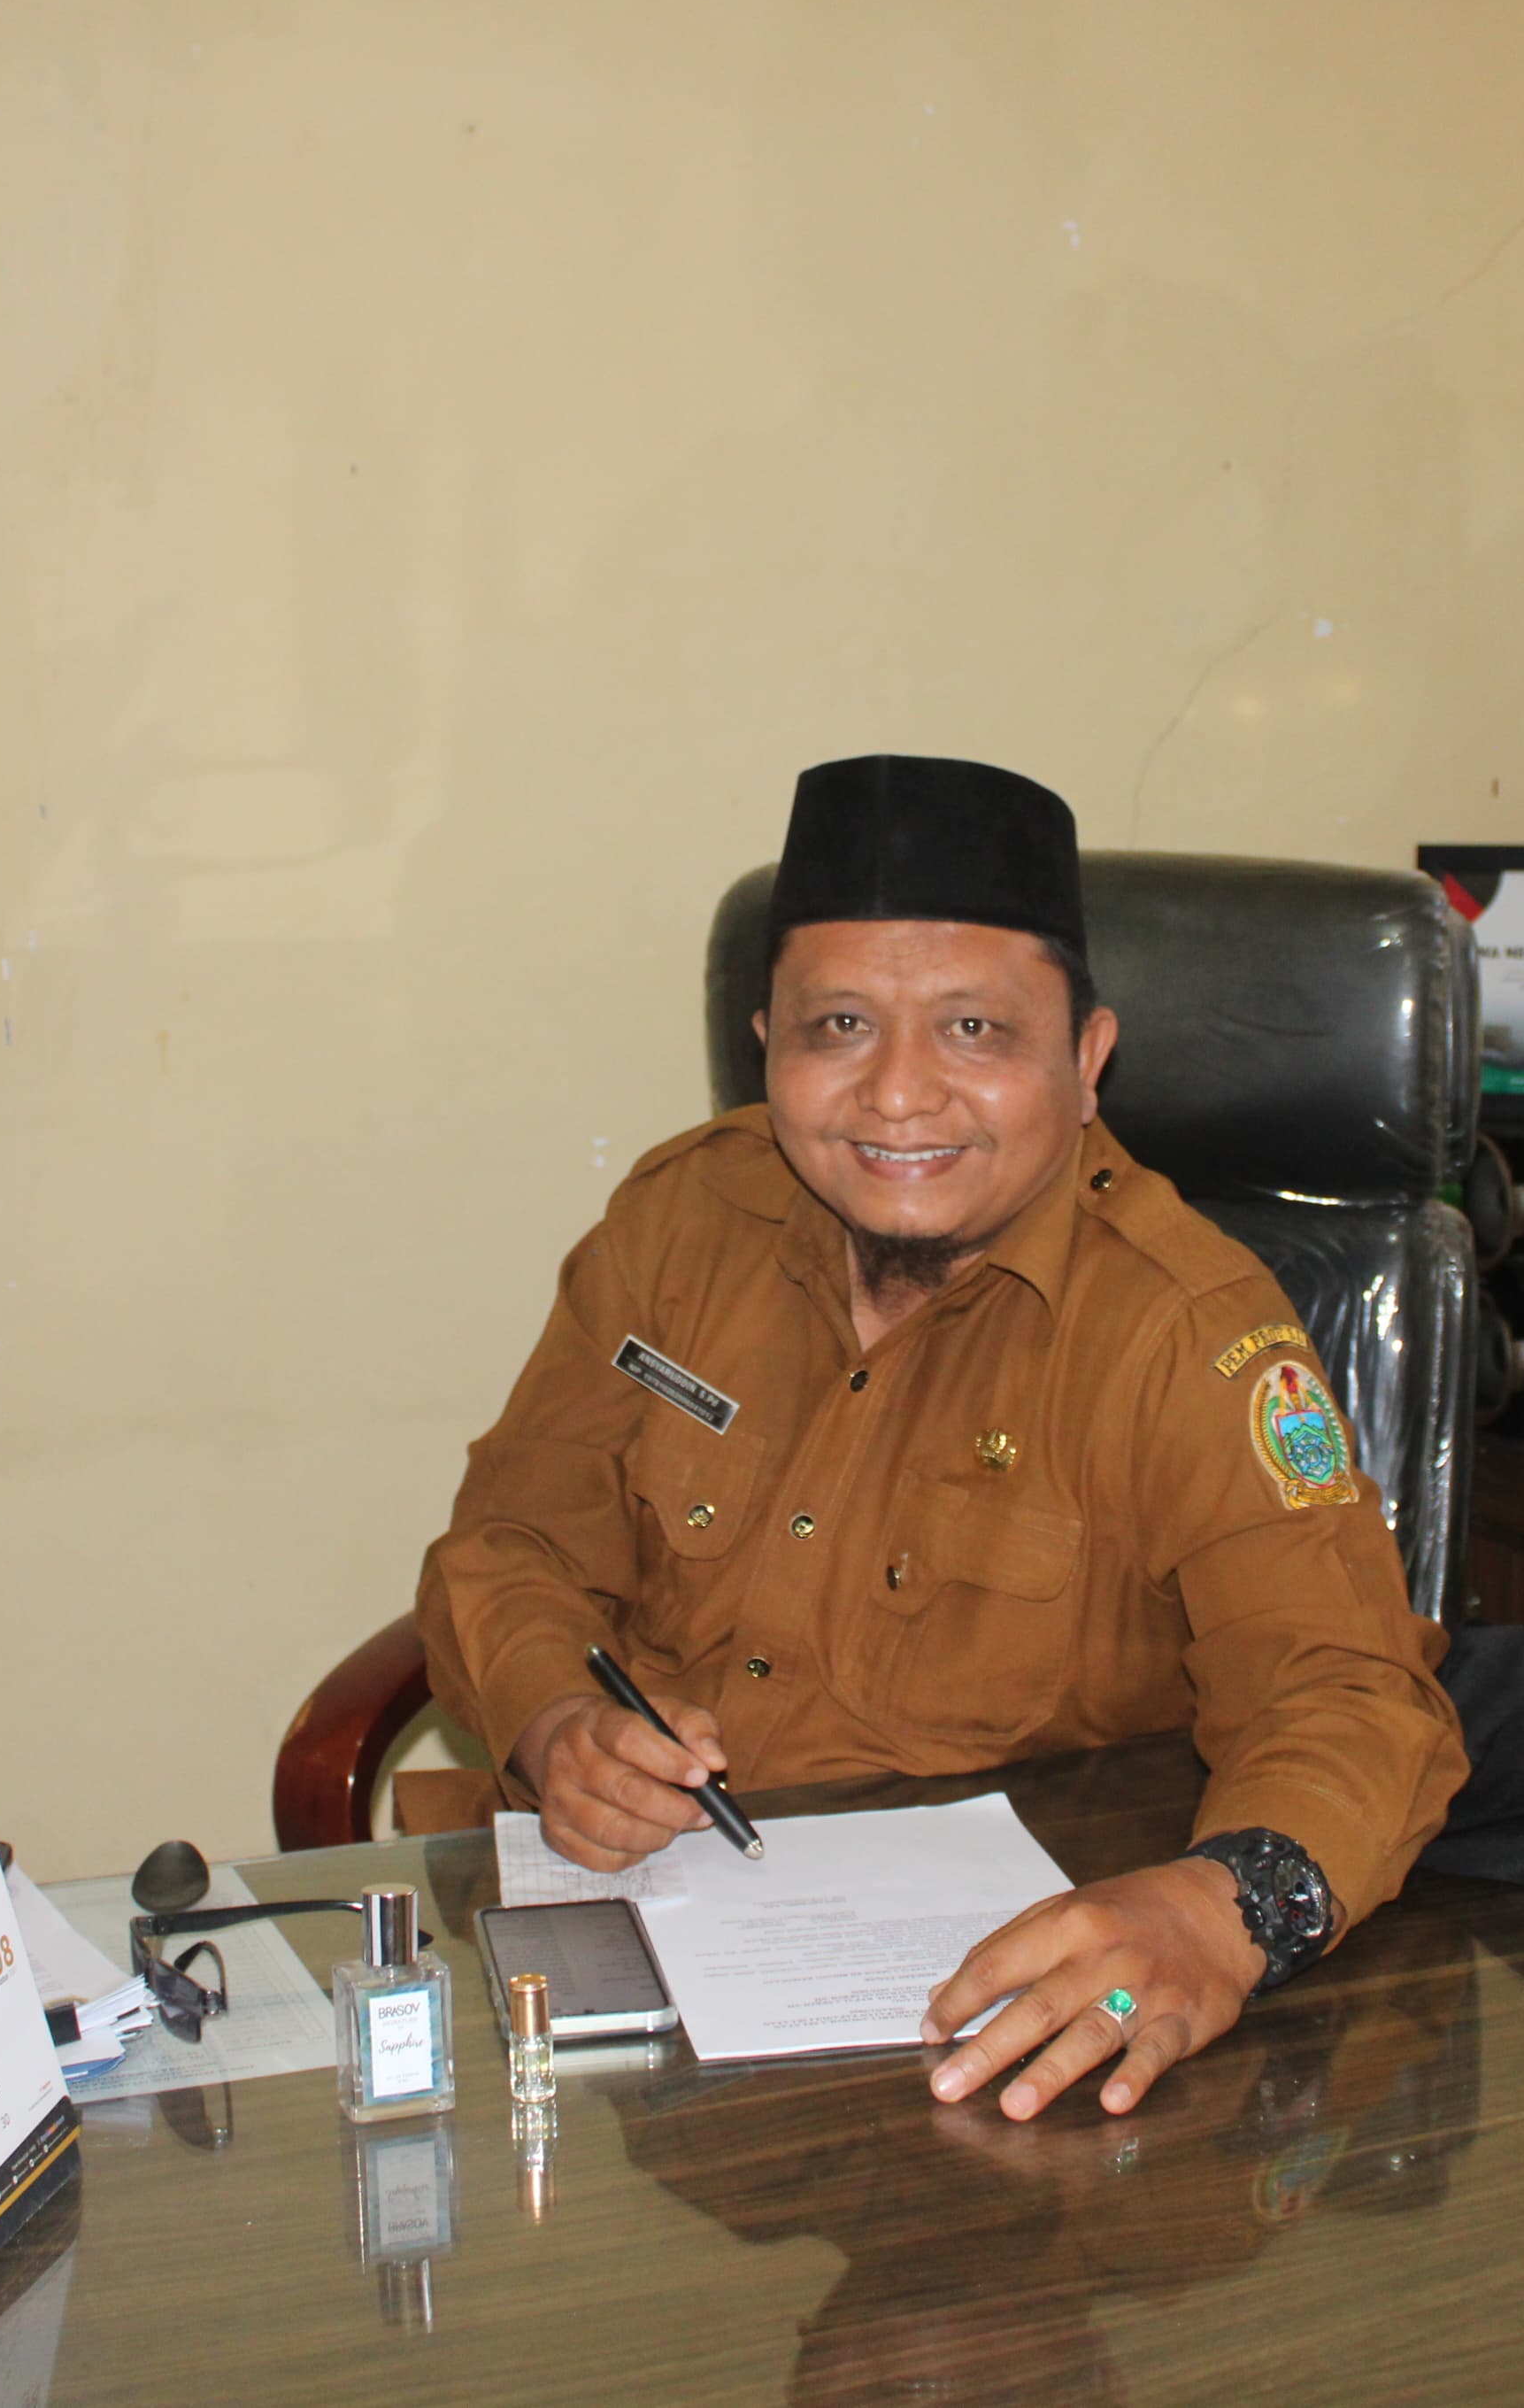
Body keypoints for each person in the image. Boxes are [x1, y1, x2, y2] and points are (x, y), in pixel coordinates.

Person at [416, 754, 1466, 2121]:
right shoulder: (681, 1224)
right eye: (839, 1026)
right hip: (658, 2031)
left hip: (995, 2046)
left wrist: (1217, 1914)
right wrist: (559, 1720)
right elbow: (512, 1539)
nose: (898, 1093)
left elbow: (1351, 1694)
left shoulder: (1184, 1330)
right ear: (767, 1044)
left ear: (1085, 1061)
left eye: (974, 1030)